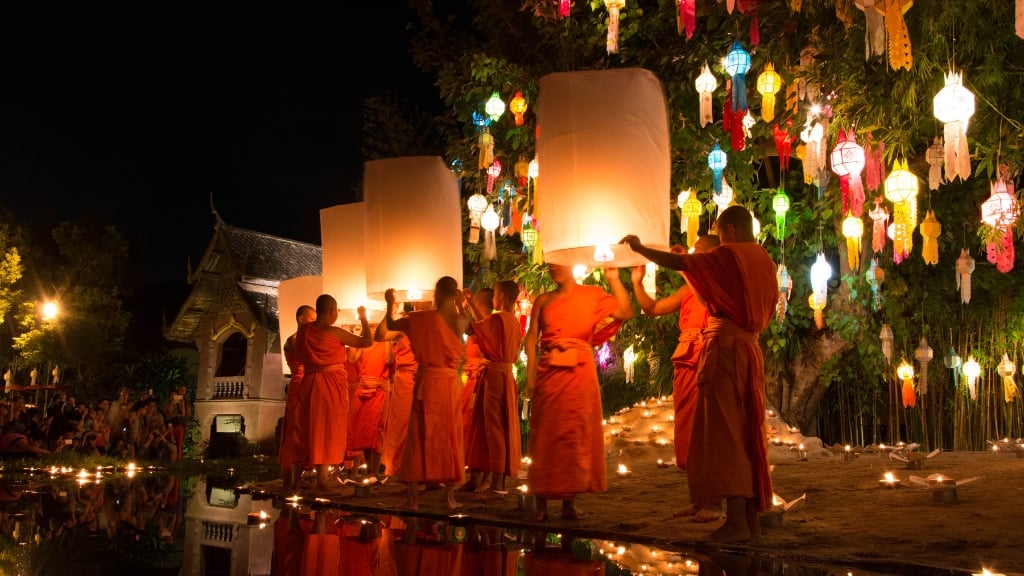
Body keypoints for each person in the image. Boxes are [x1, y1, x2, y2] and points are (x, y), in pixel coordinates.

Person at [621, 204, 777, 544]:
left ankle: (735, 521)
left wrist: (640, 248)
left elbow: (685, 265)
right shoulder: (763, 260)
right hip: (749, 349)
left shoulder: (730, 255)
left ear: (730, 230)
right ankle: (749, 520)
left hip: (725, 349)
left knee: (725, 436)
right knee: (745, 432)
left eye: (720, 235)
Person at [523, 263, 633, 521]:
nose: (554, 268)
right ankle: (541, 503)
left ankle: (568, 502)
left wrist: (614, 278)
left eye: (559, 264)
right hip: (549, 369)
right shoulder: (543, 300)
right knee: (546, 434)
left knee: (574, 433)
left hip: (579, 371)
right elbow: (531, 337)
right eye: (550, 264)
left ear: (572, 264)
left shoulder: (591, 294)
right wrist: (530, 375)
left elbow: (626, 311)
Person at [630, 234, 723, 522]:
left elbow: (708, 300)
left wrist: (685, 267)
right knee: (688, 429)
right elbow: (652, 309)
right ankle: (697, 499)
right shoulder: (687, 289)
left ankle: (715, 503)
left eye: (699, 252)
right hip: (685, 358)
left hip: (708, 355)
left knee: (708, 431)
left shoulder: (719, 284)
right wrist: (636, 282)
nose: (693, 256)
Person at [384, 276, 469, 510]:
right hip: (448, 385)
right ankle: (449, 497)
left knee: (417, 436)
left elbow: (391, 324)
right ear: (454, 295)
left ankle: (413, 499)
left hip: (427, 383)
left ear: (437, 294)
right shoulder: (459, 320)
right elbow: (469, 325)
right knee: (449, 437)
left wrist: (390, 303)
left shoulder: (420, 319)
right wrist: (462, 305)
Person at [294, 295, 373, 493]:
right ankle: (321, 481)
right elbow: (366, 341)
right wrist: (364, 317)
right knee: (328, 430)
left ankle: (295, 482)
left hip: (310, 382)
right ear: (331, 311)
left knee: (308, 430)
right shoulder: (334, 332)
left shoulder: (304, 331)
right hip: (330, 384)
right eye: (336, 311)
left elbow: (299, 354)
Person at [464, 280, 524, 496]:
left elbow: (472, 328)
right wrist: (471, 305)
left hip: (495, 378)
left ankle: (497, 483)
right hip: (504, 376)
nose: (493, 299)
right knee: (494, 426)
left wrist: (460, 306)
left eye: (496, 295)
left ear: (503, 297)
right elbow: (483, 328)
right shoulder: (512, 321)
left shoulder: (500, 318)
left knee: (495, 428)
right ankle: (491, 479)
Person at [374, 309, 418, 480]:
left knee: (425, 425)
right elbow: (380, 335)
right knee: (402, 423)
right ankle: (401, 468)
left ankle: (426, 471)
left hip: (425, 378)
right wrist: (389, 309)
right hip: (405, 379)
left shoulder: (427, 325)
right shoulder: (402, 328)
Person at [457, 287, 493, 493]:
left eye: (475, 300)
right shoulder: (476, 324)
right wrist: (459, 305)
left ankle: (487, 477)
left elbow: (481, 326)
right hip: (470, 380)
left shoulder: (492, 323)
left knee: (483, 428)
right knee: (468, 427)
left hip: (484, 378)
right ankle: (474, 475)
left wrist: (468, 305)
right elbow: (468, 327)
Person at [346, 324, 393, 481]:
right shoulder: (364, 344)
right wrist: (357, 336)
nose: (373, 331)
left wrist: (387, 339)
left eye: (375, 328)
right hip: (363, 389)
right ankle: (369, 471)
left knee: (377, 429)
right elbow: (351, 359)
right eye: (371, 328)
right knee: (364, 430)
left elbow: (389, 360)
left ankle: (375, 471)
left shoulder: (385, 343)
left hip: (379, 390)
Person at [280, 304, 316, 490]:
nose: (314, 323)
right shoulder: (292, 340)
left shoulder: (307, 339)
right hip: (298, 383)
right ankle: (289, 475)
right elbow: (305, 358)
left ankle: (298, 475)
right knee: (294, 429)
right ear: (301, 319)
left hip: (308, 383)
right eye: (312, 319)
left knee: (304, 430)